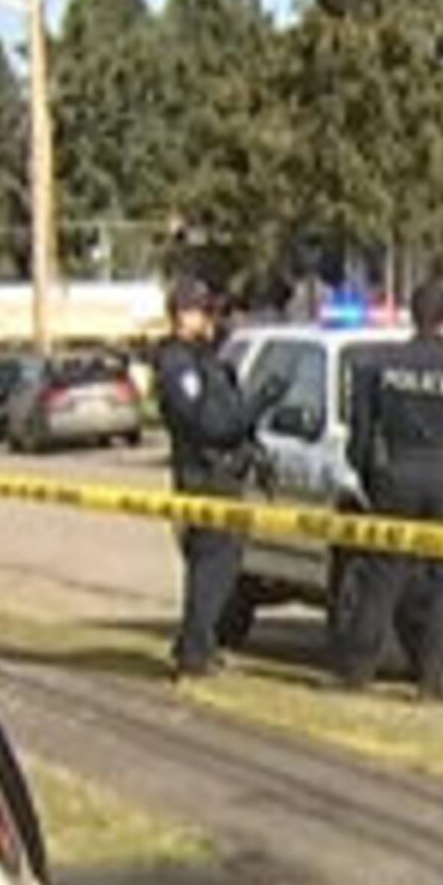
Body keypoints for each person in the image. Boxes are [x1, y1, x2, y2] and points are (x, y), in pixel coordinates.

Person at [335, 279, 443, 701]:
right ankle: (436, 678)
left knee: (382, 576)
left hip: (396, 473)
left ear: (412, 315)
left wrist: (370, 480)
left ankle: (358, 671)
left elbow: (359, 436)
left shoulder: (378, 364)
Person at [150, 277, 271, 680]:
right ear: (183, 315)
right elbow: (207, 424)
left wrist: (252, 448)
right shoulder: (177, 364)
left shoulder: (206, 360)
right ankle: (194, 654)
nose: (211, 320)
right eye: (204, 312)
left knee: (220, 568)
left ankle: (197, 644)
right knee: (211, 568)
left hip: (223, 474)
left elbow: (225, 414)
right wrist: (254, 409)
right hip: (203, 476)